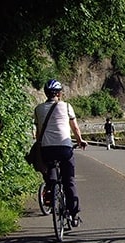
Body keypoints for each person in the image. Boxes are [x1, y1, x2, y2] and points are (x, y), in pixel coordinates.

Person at [34, 79, 88, 227]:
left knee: (50, 175)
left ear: (46, 93)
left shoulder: (38, 109)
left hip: (47, 149)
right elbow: (75, 128)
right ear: (59, 93)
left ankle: (51, 193)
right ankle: (74, 214)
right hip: (65, 148)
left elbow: (38, 132)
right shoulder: (67, 107)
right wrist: (80, 140)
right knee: (69, 181)